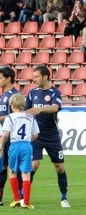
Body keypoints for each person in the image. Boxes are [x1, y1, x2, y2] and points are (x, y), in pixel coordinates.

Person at [25, 65, 70, 207]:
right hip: (36, 136)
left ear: (45, 77)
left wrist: (40, 109)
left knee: (59, 167)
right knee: (34, 165)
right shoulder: (32, 93)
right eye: (34, 76)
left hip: (52, 136)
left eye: (37, 76)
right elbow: (26, 112)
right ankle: (25, 198)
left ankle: (64, 198)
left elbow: (55, 108)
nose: (35, 79)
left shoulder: (55, 93)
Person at [1, 94, 39, 209]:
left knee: (12, 171)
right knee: (26, 173)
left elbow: (5, 134)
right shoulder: (31, 117)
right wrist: (27, 140)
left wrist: (0, 145)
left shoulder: (10, 117)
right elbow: (35, 135)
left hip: (14, 145)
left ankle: (16, 199)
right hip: (26, 145)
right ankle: (26, 202)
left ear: (12, 105)